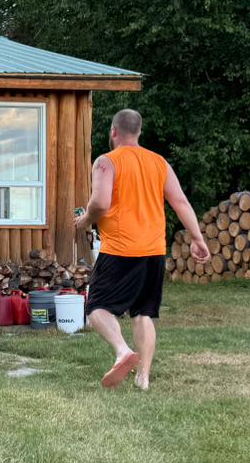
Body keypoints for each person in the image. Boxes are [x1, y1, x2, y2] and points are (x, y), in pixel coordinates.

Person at [74, 108, 209, 390]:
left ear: (113, 131)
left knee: (96, 307)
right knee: (144, 313)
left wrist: (85, 220)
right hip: (153, 251)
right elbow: (180, 202)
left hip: (120, 250)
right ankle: (143, 377)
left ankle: (122, 351)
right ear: (139, 132)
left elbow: (100, 203)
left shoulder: (107, 161)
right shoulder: (159, 163)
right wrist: (197, 238)